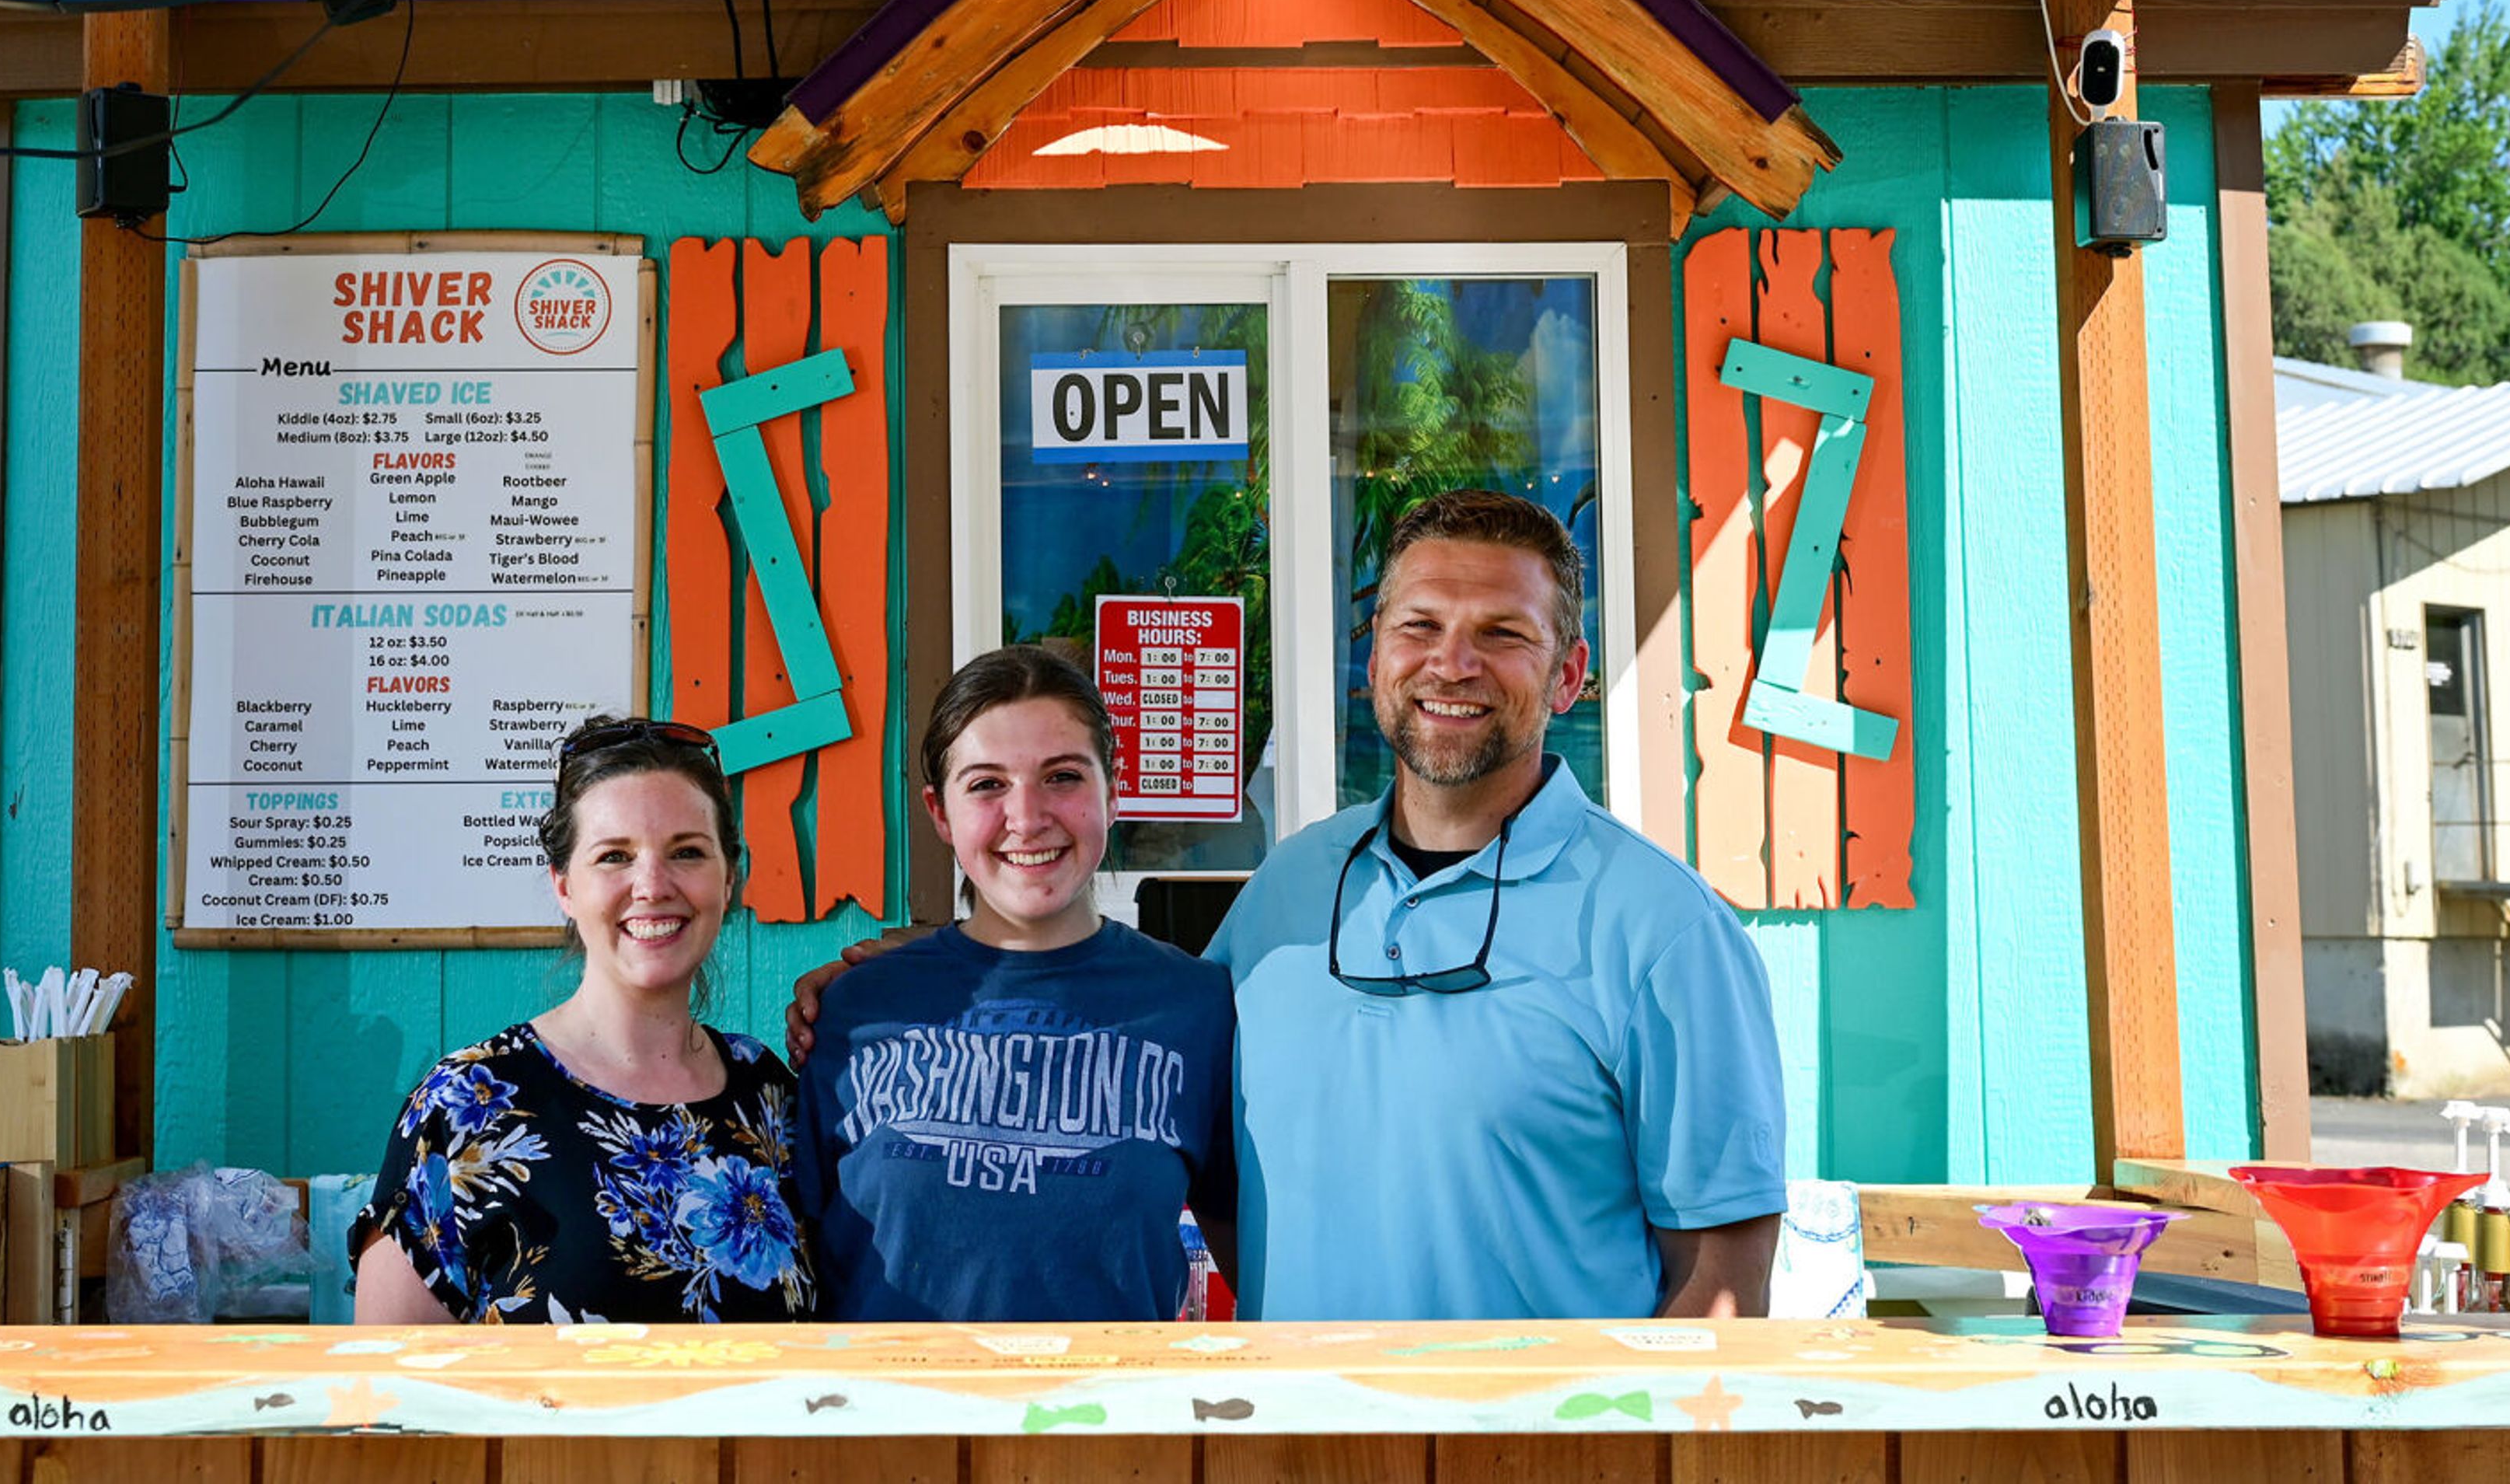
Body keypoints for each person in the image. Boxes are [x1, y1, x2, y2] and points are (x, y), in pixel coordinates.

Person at [791, 489, 1784, 1321]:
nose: (1453, 662)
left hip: (1538, 1448)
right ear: (1374, 657)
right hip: (1295, 1434)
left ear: (1569, 674)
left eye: (1504, 633)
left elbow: (1725, 1279)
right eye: (1420, 626)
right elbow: (1128, 1025)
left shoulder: (1666, 929)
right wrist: (937, 963)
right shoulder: (1294, 886)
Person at [793, 645, 1235, 1320]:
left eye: (1062, 777)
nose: (1027, 818)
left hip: (1113, 1420)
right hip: (886, 1421)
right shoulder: (853, 1012)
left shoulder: (1198, 1008)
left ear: (1112, 793)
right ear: (940, 813)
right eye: (987, 785)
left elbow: (1259, 1269)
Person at [352, 718, 815, 1324]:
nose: (651, 885)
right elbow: (391, 1392)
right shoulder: (466, 1105)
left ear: (728, 878)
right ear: (564, 886)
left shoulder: (766, 1092)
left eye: (687, 852)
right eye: (614, 856)